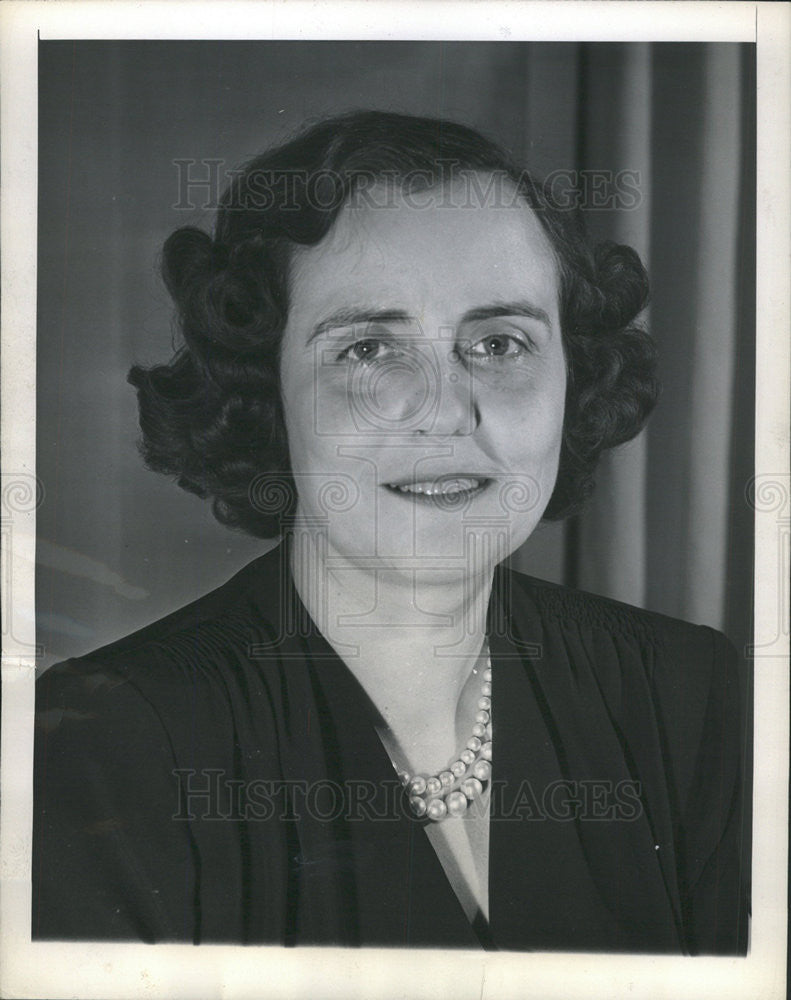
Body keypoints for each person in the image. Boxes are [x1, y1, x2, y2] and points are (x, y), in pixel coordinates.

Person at [33, 110, 750, 952]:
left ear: (573, 375)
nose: (445, 409)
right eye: (368, 350)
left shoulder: (686, 693)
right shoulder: (107, 742)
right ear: (266, 392)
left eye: (498, 341)